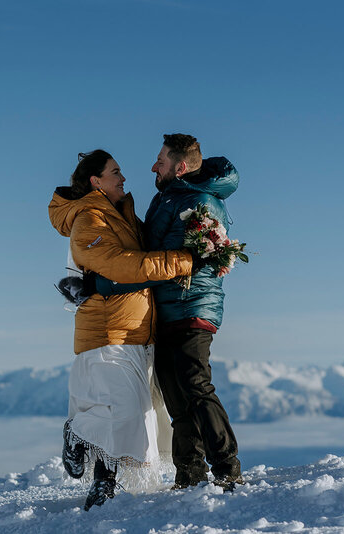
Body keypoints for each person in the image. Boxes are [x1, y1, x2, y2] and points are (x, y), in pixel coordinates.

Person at [48, 150, 193, 510]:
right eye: (115, 172)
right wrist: (181, 262)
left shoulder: (121, 215)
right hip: (107, 329)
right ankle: (82, 439)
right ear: (96, 181)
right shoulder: (89, 219)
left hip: (138, 330)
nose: (123, 178)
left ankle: (102, 477)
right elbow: (119, 265)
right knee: (123, 410)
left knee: (133, 414)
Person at [145, 133, 244, 490]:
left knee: (195, 384)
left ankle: (227, 467)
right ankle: (189, 472)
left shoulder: (202, 201)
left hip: (192, 306)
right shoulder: (168, 197)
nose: (154, 166)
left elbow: (200, 256)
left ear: (180, 166)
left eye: (160, 160)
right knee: (175, 393)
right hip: (167, 310)